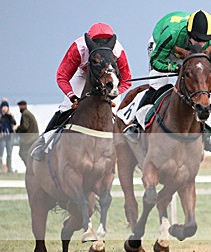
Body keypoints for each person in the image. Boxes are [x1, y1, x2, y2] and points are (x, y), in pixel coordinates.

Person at [31, 23, 131, 161]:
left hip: (108, 79)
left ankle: (128, 150)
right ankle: (43, 142)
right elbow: (62, 76)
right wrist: (72, 97)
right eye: (96, 42)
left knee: (115, 113)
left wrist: (115, 92)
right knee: (65, 108)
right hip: (84, 75)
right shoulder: (78, 48)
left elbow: (127, 79)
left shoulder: (118, 51)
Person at [122, 10, 211, 152]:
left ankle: (204, 132)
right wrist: (174, 67)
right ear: (189, 32)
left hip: (188, 56)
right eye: (197, 39)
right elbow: (156, 61)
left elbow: (206, 71)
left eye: (203, 40)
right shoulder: (172, 34)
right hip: (163, 50)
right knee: (158, 85)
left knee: (199, 93)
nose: (200, 43)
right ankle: (136, 125)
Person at [15, 100, 38, 168]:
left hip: (29, 138)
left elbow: (25, 127)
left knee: (23, 153)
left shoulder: (25, 114)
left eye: (20, 106)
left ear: (22, 106)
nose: (19, 108)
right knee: (29, 154)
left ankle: (29, 168)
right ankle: (31, 168)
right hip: (33, 138)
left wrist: (17, 129)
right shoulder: (28, 113)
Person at [0, 99, 16, 173]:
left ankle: (9, 168)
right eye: (4, 107)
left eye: (6, 107)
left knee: (9, 153)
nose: (5, 108)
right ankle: (1, 168)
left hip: (9, 136)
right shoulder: (0, 116)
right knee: (1, 152)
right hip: (2, 136)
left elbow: (14, 123)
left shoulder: (9, 116)